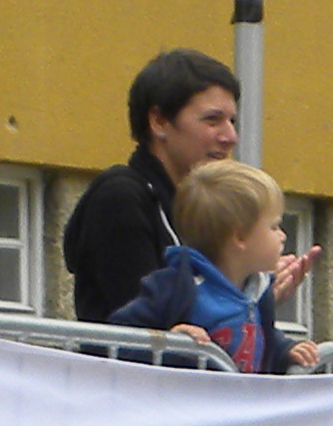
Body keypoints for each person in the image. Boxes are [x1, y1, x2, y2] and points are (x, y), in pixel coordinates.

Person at [61, 48, 243, 325]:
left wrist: (256, 296)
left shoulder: (197, 209)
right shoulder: (120, 199)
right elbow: (144, 319)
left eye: (232, 121)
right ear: (159, 122)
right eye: (212, 120)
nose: (230, 136)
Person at [102, 158, 319, 373]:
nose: (283, 236)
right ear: (240, 237)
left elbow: (263, 337)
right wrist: (171, 342)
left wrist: (285, 349)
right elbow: (120, 337)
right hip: (185, 395)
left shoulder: (258, 291)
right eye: (274, 226)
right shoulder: (176, 286)